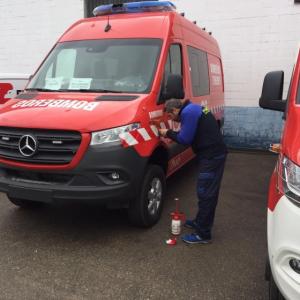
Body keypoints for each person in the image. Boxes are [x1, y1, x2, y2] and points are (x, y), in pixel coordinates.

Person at [159, 99, 227, 244]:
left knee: (206, 194)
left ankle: (203, 234)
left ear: (175, 111)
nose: (173, 120)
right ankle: (199, 222)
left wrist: (167, 133)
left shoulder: (188, 113)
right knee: (205, 192)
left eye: (170, 117)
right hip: (212, 154)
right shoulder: (194, 108)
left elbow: (184, 139)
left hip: (211, 157)